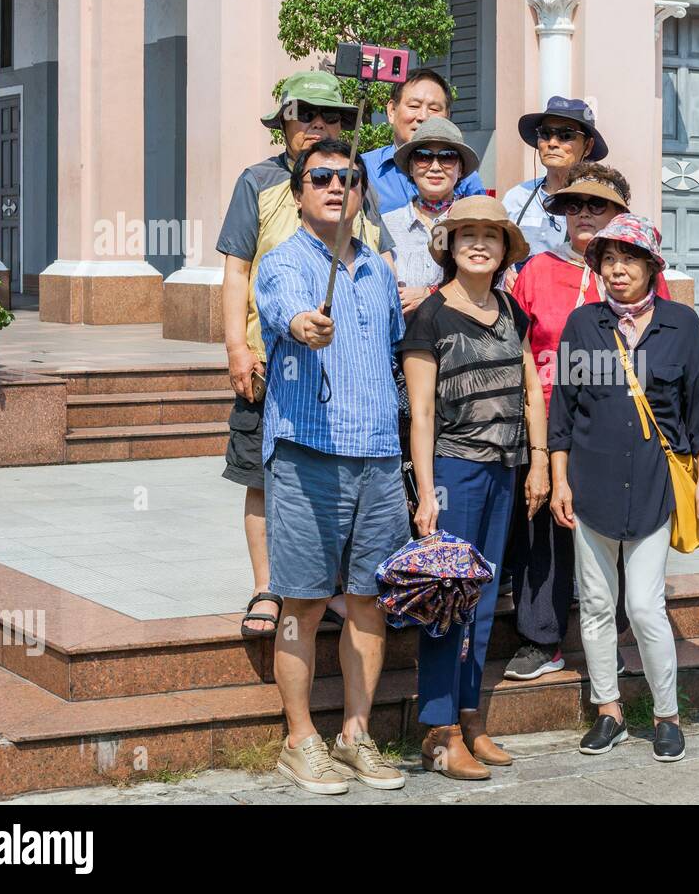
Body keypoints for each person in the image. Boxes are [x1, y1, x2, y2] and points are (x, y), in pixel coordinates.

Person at [255, 138, 409, 795]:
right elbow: (286, 309)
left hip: (377, 454)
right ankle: (299, 741)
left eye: (348, 178)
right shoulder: (284, 262)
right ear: (298, 193)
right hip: (308, 453)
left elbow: (401, 349)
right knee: (306, 602)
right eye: (320, 177)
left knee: (370, 602)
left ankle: (355, 735)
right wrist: (303, 325)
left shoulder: (376, 268)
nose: (335, 186)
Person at [548, 213, 699, 765]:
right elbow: (563, 410)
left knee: (645, 607)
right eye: (607, 260)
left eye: (629, 260)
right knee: (597, 604)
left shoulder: (681, 324)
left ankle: (667, 716)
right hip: (590, 484)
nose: (617, 270)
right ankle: (609, 712)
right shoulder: (583, 325)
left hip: (654, 487)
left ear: (651, 267)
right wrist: (558, 480)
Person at [218, 71, 386, 638]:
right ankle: (268, 586)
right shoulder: (260, 182)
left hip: (346, 374)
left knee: (338, 481)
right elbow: (237, 268)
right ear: (284, 122)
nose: (320, 124)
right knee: (262, 476)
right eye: (306, 113)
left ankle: (330, 587)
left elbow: (379, 256)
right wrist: (238, 346)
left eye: (333, 115)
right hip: (272, 358)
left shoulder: (353, 179)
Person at [401, 195, 550, 780]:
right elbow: (420, 416)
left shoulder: (512, 310)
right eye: (468, 236)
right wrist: (427, 493)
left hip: (505, 470)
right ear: (450, 247)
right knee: (449, 599)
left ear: (505, 248)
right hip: (455, 471)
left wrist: (537, 461)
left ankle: (469, 717)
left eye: (491, 236)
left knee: (485, 600)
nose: (479, 244)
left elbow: (531, 390)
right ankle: (437, 732)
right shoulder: (431, 317)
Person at [501, 163, 669, 681]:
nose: (584, 215)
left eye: (597, 206)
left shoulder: (638, 272)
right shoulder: (537, 270)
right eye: (574, 206)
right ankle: (541, 637)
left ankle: (613, 640)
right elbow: (520, 348)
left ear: (621, 213)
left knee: (617, 527)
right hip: (545, 413)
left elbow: (662, 347)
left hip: (616, 423)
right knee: (544, 528)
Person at [379, 116, 480, 319]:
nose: (435, 167)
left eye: (447, 157)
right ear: (410, 167)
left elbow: (494, 286)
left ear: (460, 169)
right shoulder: (385, 225)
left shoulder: (478, 223)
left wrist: (430, 294)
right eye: (424, 156)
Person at [501, 96, 609, 264]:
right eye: (545, 134)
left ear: (587, 146)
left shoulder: (602, 203)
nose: (552, 143)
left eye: (566, 135)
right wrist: (505, 271)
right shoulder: (516, 198)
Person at [361, 68, 486, 212]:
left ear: (447, 116)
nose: (423, 117)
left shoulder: (467, 178)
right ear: (392, 111)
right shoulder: (364, 170)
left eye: (434, 109)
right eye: (414, 106)